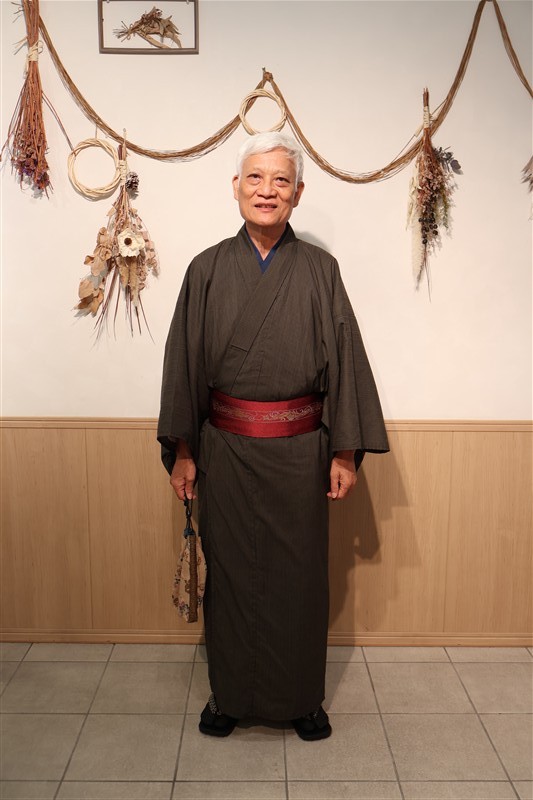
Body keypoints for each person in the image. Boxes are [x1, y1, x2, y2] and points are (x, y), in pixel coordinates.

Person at [157, 131, 389, 741]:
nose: (267, 190)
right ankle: (230, 695)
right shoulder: (206, 270)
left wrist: (344, 452)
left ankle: (302, 699)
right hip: (225, 452)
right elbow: (183, 366)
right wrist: (184, 452)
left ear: (298, 193)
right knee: (231, 576)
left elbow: (344, 360)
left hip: (299, 454)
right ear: (236, 187)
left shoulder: (320, 271)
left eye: (280, 180)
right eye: (256, 178)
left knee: (300, 578)